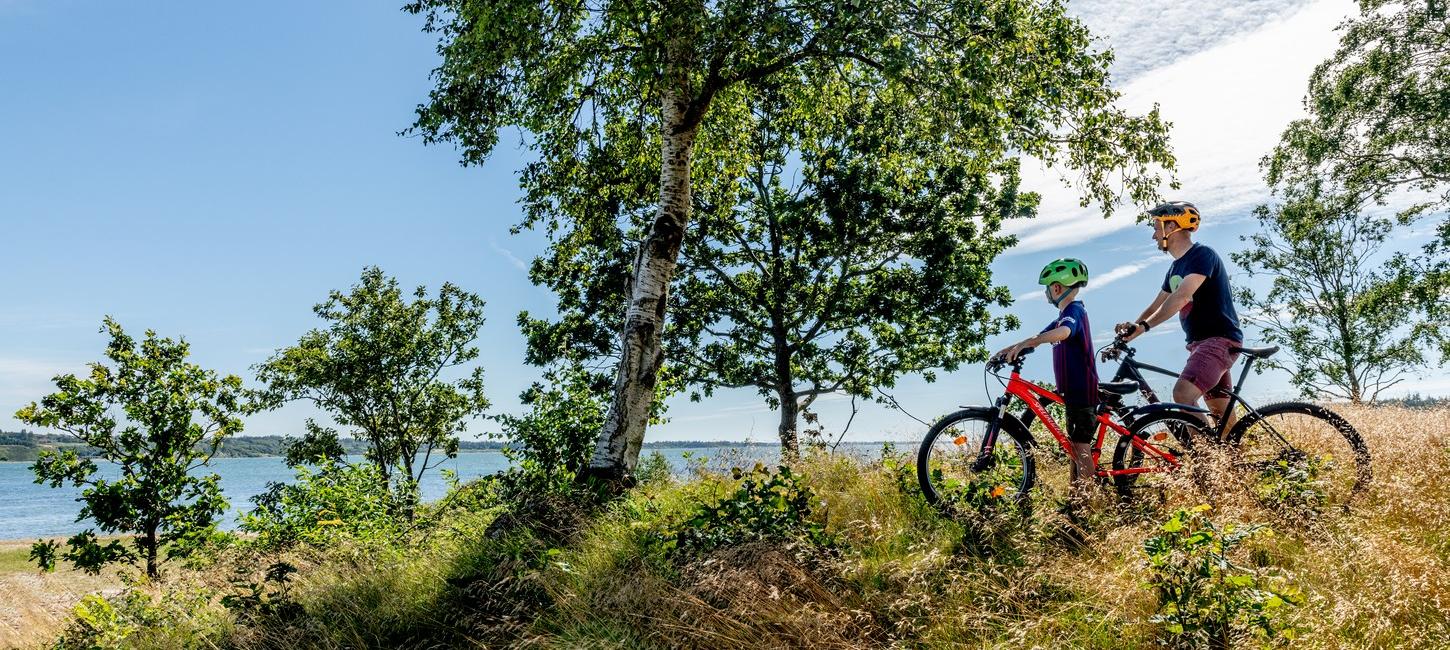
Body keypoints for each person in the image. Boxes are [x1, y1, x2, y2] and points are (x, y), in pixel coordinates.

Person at [1115, 201, 1244, 434]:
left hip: (1217, 340)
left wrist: (1144, 326)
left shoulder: (1201, 255)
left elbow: (1182, 297)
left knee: (1183, 394)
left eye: (1156, 227)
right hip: (1200, 345)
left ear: (1172, 226)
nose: (1154, 235)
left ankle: (1204, 462)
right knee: (1223, 419)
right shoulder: (1175, 268)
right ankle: (1235, 465)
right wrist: (1128, 335)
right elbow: (1156, 305)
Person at [995, 258, 1099, 498]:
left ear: (1056, 288)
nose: (1046, 294)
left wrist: (1030, 342)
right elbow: (1038, 336)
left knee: (1081, 447)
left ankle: (1090, 503)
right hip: (1072, 391)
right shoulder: (1063, 315)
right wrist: (1009, 349)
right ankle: (1077, 503)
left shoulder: (1074, 311)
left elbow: (1064, 333)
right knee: (1074, 446)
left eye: (1047, 288)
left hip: (1082, 389)